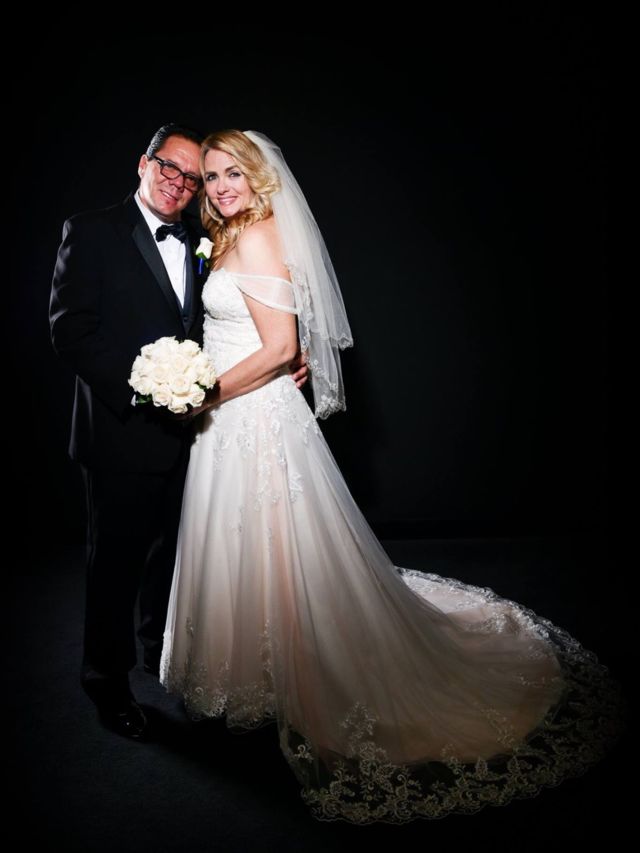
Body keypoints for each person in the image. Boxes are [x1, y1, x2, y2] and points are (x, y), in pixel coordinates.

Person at [160, 130, 622, 823]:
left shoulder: (257, 236)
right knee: (243, 547)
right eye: (213, 175)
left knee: (276, 547)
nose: (222, 186)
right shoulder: (226, 237)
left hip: (249, 419)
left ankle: (295, 678)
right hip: (228, 420)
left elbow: (282, 346)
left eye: (234, 173)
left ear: (259, 177)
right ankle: (252, 676)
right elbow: (263, 339)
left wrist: (203, 393)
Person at [49, 123, 309, 740]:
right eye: (171, 167)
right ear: (144, 164)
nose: (181, 183)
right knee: (115, 566)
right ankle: (106, 684)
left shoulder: (205, 237)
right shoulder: (91, 230)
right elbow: (71, 331)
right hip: (122, 432)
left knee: (176, 561)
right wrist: (148, 389)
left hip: (199, 434)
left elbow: (235, 321)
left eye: (194, 178)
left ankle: (162, 661)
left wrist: (287, 360)